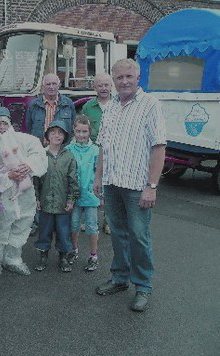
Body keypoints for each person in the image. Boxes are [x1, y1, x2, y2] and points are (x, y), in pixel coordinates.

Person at [93, 59, 166, 312]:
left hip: (137, 186)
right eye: (119, 77)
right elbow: (103, 146)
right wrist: (97, 178)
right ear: (113, 80)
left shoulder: (150, 105)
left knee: (139, 236)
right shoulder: (110, 108)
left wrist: (152, 186)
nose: (124, 81)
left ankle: (143, 286)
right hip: (113, 184)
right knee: (118, 234)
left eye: (129, 77)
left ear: (138, 77)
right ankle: (120, 277)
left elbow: (159, 147)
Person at [0, 107, 47, 277]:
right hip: (2, 194)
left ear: (10, 124)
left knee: (22, 222)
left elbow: (39, 154)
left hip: (25, 194)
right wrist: (8, 176)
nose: (2, 127)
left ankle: (13, 259)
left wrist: (28, 165)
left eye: (5, 123)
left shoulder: (24, 140)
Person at [33, 121, 79, 272]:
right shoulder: (41, 155)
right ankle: (43, 256)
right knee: (44, 231)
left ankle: (63, 257)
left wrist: (71, 200)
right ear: (47, 135)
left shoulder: (69, 157)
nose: (56, 135)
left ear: (65, 136)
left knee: (63, 231)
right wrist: (37, 198)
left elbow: (73, 180)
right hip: (45, 202)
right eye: (53, 132)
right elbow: (36, 180)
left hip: (62, 203)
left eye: (60, 132)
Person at [66, 116, 100, 271]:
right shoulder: (68, 150)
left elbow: (100, 173)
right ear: (74, 130)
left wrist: (101, 193)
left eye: (84, 131)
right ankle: (74, 250)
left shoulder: (95, 150)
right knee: (74, 225)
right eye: (78, 131)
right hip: (74, 196)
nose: (81, 135)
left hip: (91, 195)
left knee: (92, 226)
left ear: (89, 132)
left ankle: (93, 255)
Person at [82, 72, 113, 235]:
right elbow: (84, 130)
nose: (103, 88)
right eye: (100, 85)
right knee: (89, 186)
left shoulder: (119, 104)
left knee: (109, 189)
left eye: (106, 85)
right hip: (92, 154)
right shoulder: (88, 107)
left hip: (112, 155)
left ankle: (108, 222)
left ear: (111, 86)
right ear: (95, 88)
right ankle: (88, 220)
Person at [26, 73, 76, 144]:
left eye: (54, 84)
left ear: (59, 86)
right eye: (48, 84)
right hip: (40, 148)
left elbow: (72, 127)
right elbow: (29, 128)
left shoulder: (68, 104)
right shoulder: (34, 105)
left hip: (61, 149)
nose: (51, 87)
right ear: (43, 87)